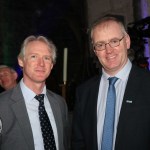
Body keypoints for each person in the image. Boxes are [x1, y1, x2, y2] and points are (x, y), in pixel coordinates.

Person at [72, 16, 150, 150]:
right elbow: (79, 143)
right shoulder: (84, 93)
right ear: (95, 51)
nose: (109, 51)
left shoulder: (147, 84)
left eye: (114, 41)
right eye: (100, 45)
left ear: (127, 41)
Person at [0, 35, 69, 150]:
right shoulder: (2, 105)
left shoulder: (60, 103)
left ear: (51, 65)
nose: (41, 64)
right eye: (34, 56)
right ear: (21, 61)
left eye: (46, 58)